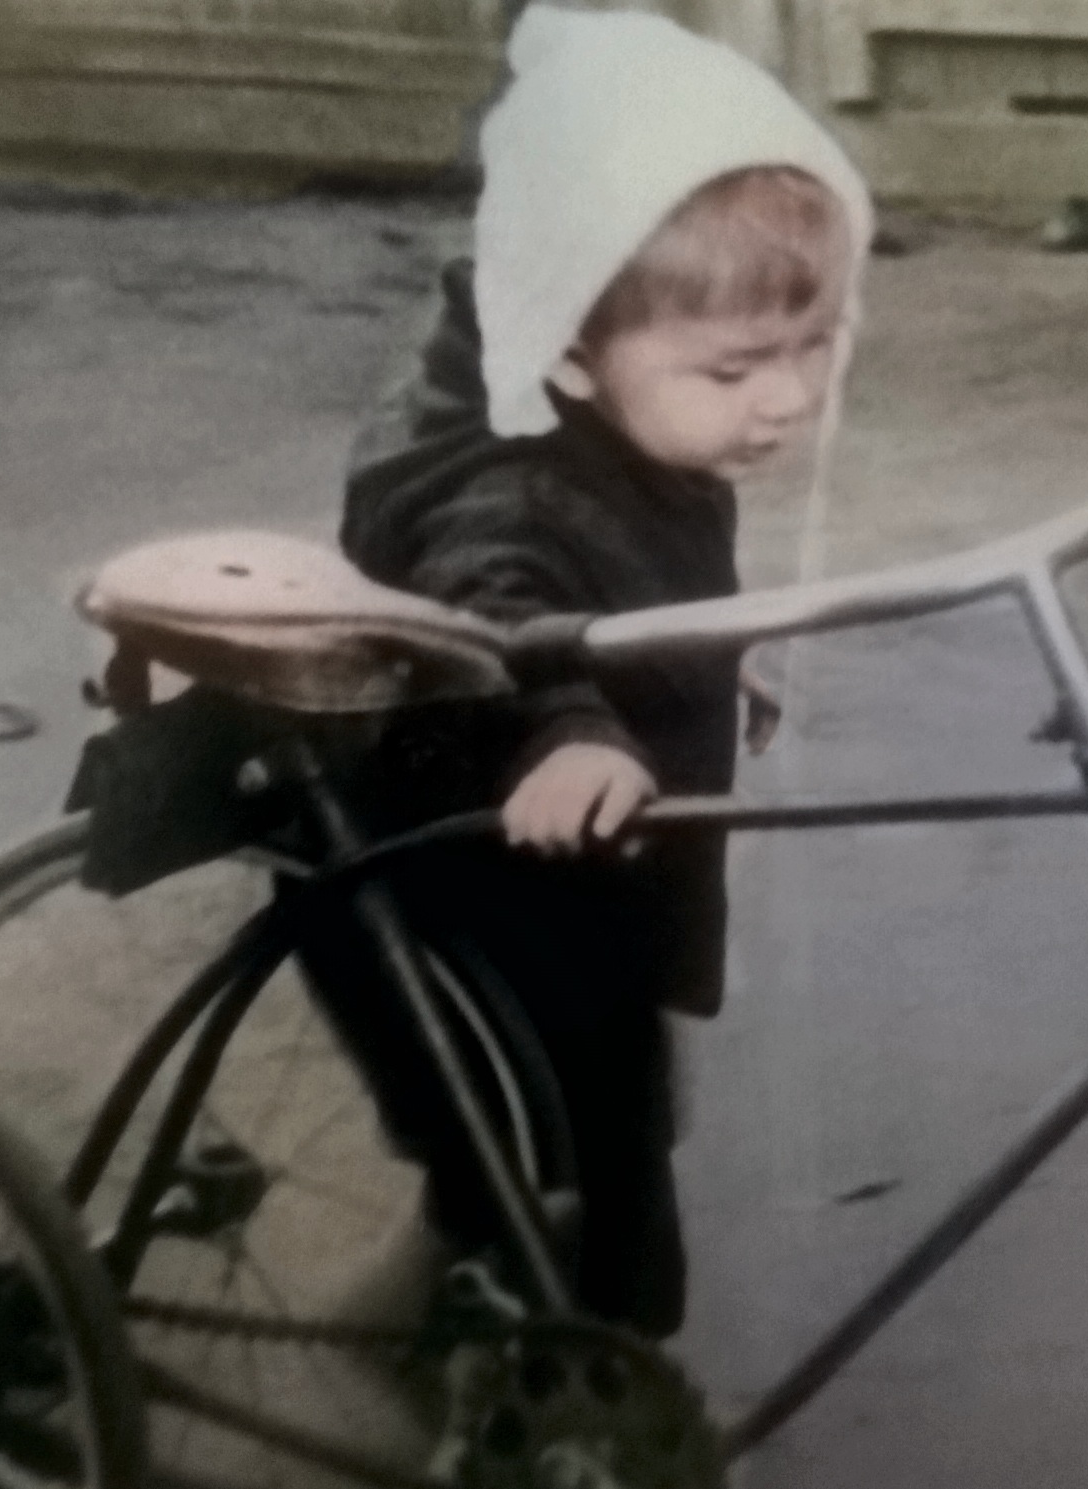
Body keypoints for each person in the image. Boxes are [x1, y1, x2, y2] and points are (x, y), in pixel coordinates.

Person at [298, 3, 874, 1340]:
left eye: (813, 344)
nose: (788, 398)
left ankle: (577, 1349)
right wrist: (566, 726)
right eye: (737, 365)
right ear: (564, 346)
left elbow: (629, 570)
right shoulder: (504, 482)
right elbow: (493, 601)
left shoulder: (644, 425)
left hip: (592, 872)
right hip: (479, 855)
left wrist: (695, 658)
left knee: (614, 1147)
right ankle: (468, 1340)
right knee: (538, 1151)